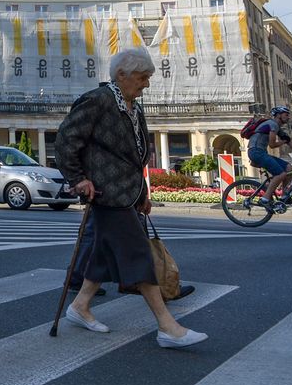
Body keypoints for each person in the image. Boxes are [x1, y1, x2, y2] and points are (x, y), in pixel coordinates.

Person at [55, 47, 207, 349]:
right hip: (107, 192)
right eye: (142, 78)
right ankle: (167, 326)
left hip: (127, 192)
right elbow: (66, 140)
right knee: (138, 253)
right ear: (121, 75)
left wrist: (143, 191)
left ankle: (80, 305)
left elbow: (137, 154)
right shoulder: (97, 100)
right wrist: (78, 179)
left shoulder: (134, 106)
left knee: (102, 254)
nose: (146, 84)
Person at [249, 105, 292, 206]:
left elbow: (291, 143)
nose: (288, 117)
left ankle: (284, 197)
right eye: (286, 115)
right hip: (256, 152)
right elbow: (272, 145)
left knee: (290, 168)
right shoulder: (272, 124)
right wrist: (282, 142)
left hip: (261, 153)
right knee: (280, 174)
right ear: (278, 115)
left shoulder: (277, 127)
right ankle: (264, 199)